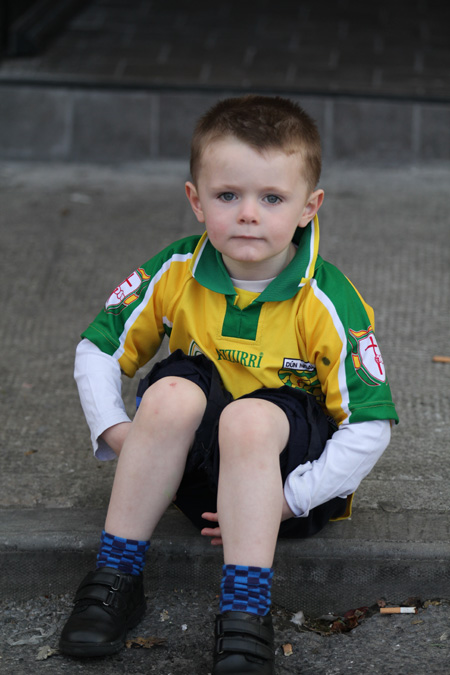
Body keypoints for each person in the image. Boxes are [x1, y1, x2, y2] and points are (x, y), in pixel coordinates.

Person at [59, 95, 398, 674]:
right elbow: (99, 348)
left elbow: (370, 424)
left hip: (289, 491)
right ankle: (116, 577)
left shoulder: (327, 299)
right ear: (196, 200)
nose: (247, 214)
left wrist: (293, 498)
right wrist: (116, 429)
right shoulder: (176, 270)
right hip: (199, 485)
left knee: (250, 416)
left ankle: (245, 614)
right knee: (170, 391)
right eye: (227, 196)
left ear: (308, 208)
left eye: (271, 198)